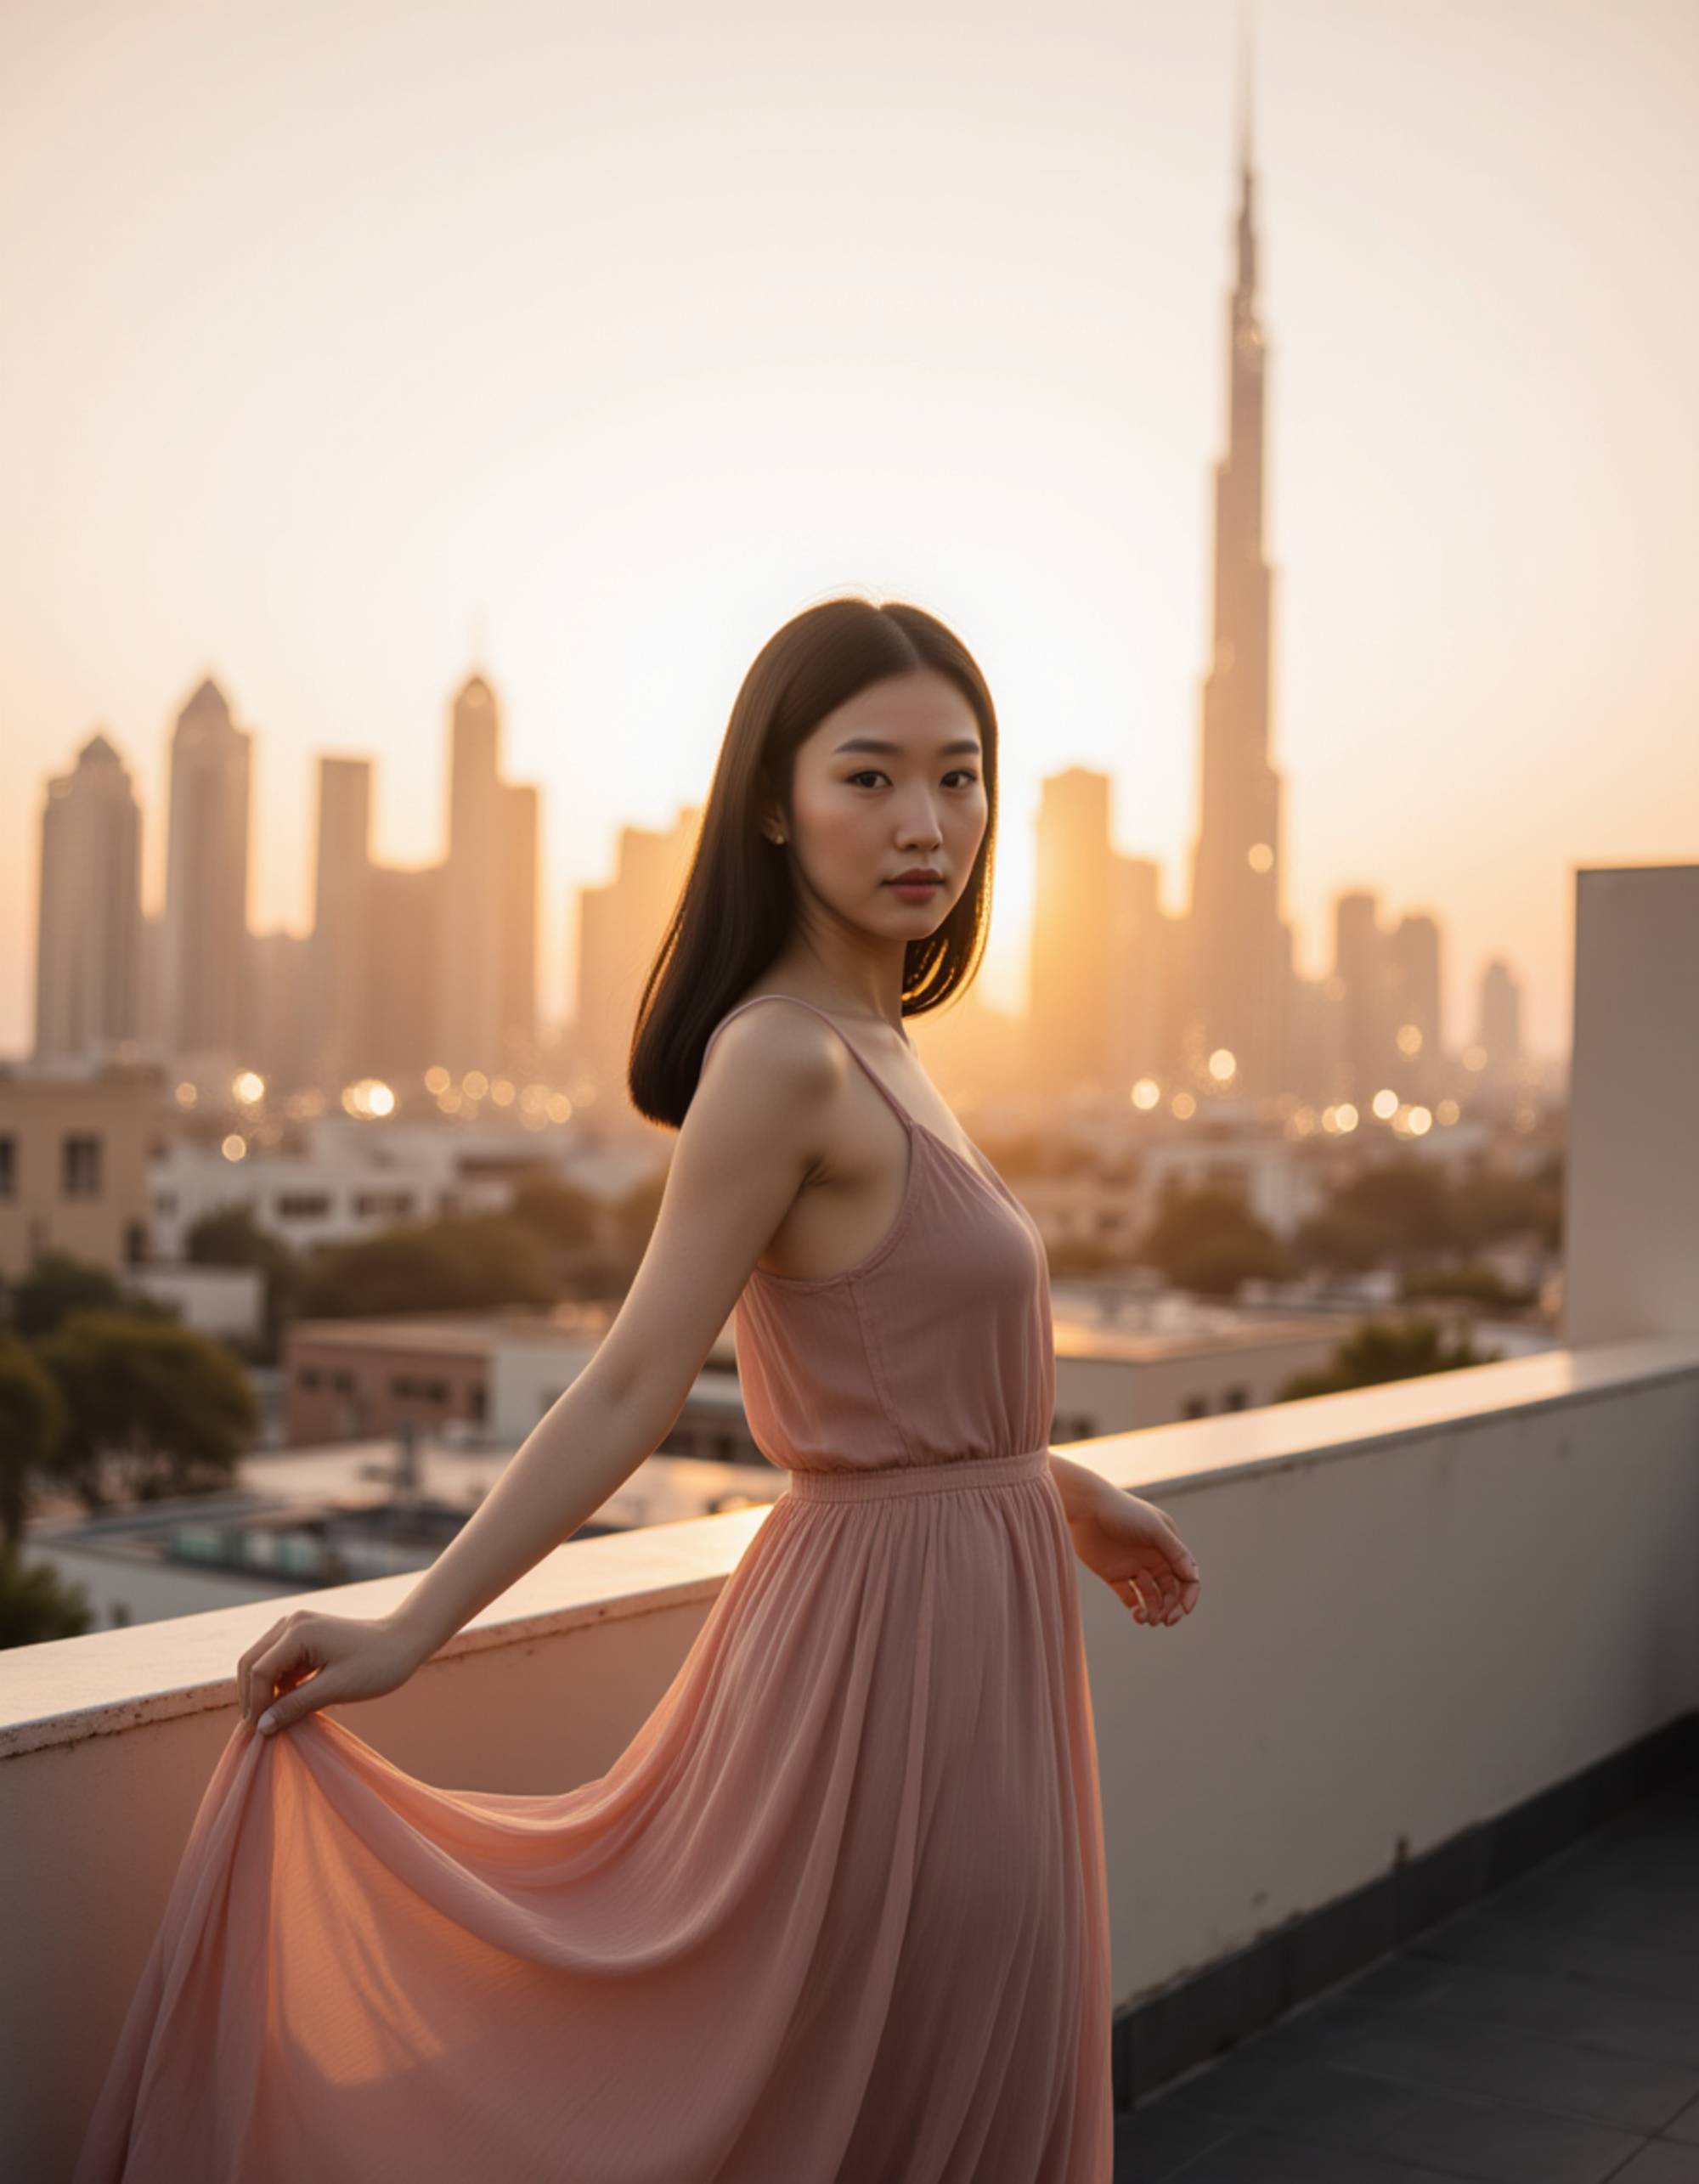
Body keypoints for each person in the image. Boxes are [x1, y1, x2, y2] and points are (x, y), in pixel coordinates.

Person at [73, 594, 1201, 2184]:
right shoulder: (783, 1058)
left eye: (959, 778)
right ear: (773, 802)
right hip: (885, 1664)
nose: (924, 821)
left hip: (983, 1627)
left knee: (972, 2073)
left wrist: (1070, 1496)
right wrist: (409, 1626)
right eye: (869, 776)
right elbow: (626, 1388)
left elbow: (908, 1373)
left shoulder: (890, 1043)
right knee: (880, 2095)